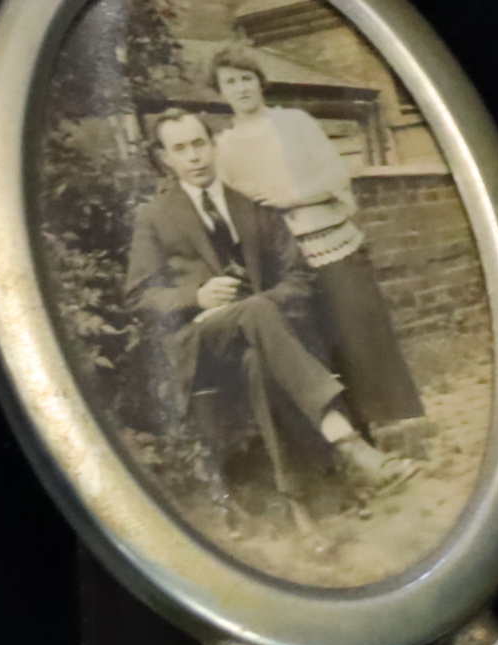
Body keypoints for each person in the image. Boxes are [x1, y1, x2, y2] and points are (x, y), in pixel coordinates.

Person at [125, 105, 407, 512]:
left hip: (263, 332)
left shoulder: (251, 206)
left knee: (260, 355)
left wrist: (262, 304)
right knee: (257, 317)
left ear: (213, 146)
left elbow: (298, 278)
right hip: (204, 341)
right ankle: (349, 443)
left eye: (200, 144)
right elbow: (139, 296)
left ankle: (303, 507)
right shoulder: (153, 217)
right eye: (181, 149)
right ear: (165, 158)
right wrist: (197, 297)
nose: (194, 157)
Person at [208, 46, 422, 439]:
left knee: (357, 334)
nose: (240, 88)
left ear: (260, 82)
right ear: (220, 91)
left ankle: (389, 426)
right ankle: (345, 438)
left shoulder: (295, 122)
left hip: (331, 240)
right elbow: (233, 206)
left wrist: (294, 195)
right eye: (230, 82)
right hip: (283, 257)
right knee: (313, 344)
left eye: (246, 78)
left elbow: (335, 172)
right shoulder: (224, 148)